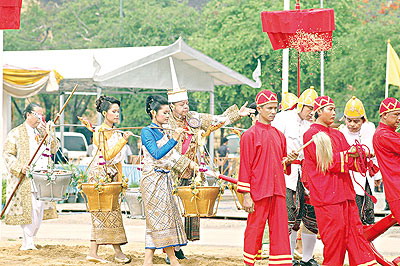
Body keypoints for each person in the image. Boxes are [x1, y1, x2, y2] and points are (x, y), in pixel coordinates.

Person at [165, 57, 255, 260]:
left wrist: (237, 115)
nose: (185, 107)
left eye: (187, 103)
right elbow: (168, 153)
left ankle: (178, 248)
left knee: (188, 212)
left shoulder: (194, 118)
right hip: (171, 172)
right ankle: (169, 250)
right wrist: (188, 164)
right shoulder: (166, 122)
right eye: (181, 104)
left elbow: (216, 120)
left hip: (192, 172)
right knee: (173, 211)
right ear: (172, 107)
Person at [302, 96, 377, 266]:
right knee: (334, 239)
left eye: (335, 109)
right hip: (327, 196)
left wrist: (362, 155)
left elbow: (349, 161)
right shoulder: (312, 134)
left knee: (355, 234)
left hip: (345, 193)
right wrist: (350, 154)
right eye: (330, 109)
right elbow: (328, 162)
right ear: (318, 111)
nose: (334, 113)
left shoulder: (337, 134)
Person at [238, 89, 298, 266]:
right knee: (255, 229)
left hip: (278, 189)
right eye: (269, 108)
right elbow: (245, 167)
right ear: (259, 108)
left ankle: (281, 263)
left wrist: (288, 161)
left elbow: (282, 163)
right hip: (258, 191)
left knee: (280, 230)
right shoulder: (249, 135)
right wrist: (246, 195)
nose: (273, 112)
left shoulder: (279, 135)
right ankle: (249, 262)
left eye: (275, 108)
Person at [141, 95, 199, 266]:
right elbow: (156, 154)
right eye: (165, 113)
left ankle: (148, 259)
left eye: (168, 113)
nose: (168, 116)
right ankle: (173, 259)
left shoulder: (162, 131)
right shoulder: (147, 131)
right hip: (152, 180)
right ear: (153, 113)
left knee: (158, 220)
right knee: (161, 219)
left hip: (164, 179)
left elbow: (172, 157)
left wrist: (193, 166)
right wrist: (174, 138)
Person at [272, 87, 319, 266]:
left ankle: (307, 258)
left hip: (307, 176)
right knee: (289, 216)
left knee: (309, 216)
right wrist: (283, 156)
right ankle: (288, 257)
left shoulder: (312, 125)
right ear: (300, 106)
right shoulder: (283, 118)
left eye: (314, 110)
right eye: (309, 109)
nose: (311, 113)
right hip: (287, 174)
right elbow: (274, 143)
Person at [3, 103, 59, 250]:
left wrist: (49, 133)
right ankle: (27, 241)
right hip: (26, 177)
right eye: (37, 115)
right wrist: (19, 167)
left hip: (43, 176)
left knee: (39, 209)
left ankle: (30, 238)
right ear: (28, 114)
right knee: (31, 208)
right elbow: (8, 154)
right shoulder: (16, 133)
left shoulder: (42, 132)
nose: (40, 118)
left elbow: (54, 149)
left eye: (42, 116)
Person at [86, 96, 132, 263]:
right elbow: (106, 156)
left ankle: (94, 252)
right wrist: (123, 141)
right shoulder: (99, 131)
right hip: (99, 176)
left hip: (111, 177)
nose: (117, 114)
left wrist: (121, 181)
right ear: (105, 113)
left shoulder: (116, 132)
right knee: (105, 214)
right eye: (114, 111)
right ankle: (117, 252)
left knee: (108, 213)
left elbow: (118, 160)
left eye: (118, 111)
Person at [339, 96, 382, 225]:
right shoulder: (341, 132)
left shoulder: (369, 129)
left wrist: (377, 176)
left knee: (367, 209)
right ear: (345, 119)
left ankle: (367, 240)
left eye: (356, 121)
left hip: (366, 176)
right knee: (352, 209)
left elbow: (375, 154)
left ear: (363, 120)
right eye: (349, 120)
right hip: (348, 176)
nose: (352, 124)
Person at [373, 97, 400, 224]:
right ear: (384, 115)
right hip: (397, 189)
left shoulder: (389, 133)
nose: (399, 118)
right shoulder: (384, 135)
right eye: (396, 114)